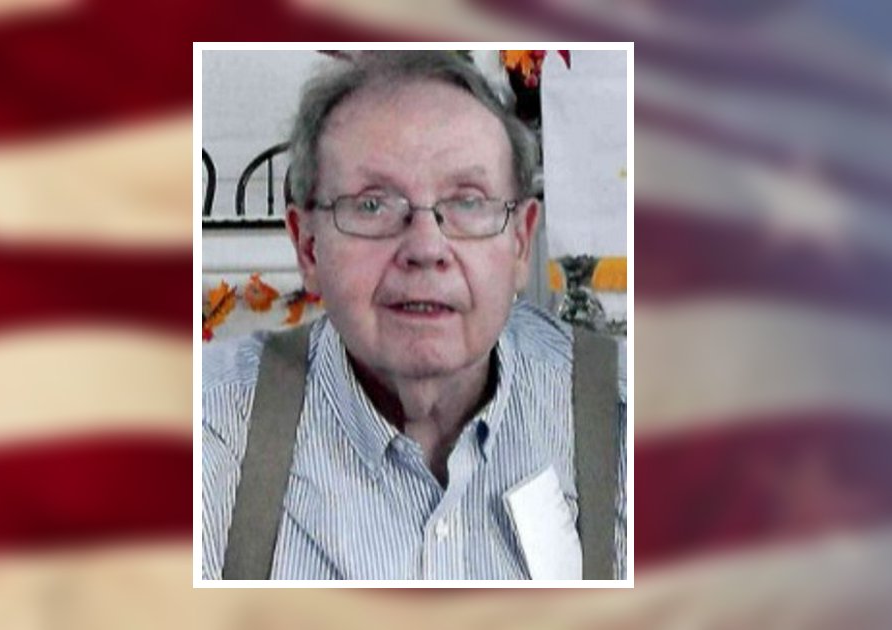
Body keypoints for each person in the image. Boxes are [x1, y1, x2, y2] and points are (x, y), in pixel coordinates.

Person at [202, 51, 625, 580]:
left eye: (468, 201)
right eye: (372, 205)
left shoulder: (630, 419)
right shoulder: (207, 431)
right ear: (308, 247)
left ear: (520, 242)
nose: (426, 248)